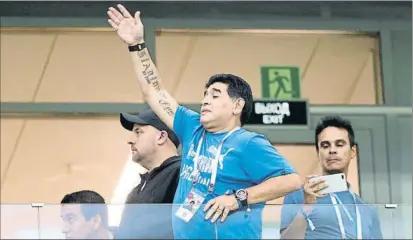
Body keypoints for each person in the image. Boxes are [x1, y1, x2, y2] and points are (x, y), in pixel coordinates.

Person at [106, 4, 301, 239]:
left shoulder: (249, 143)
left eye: (215, 95)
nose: (205, 101)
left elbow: (291, 180)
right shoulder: (192, 127)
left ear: (237, 106)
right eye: (205, 95)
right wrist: (136, 45)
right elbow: (154, 92)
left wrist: (238, 198)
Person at [280, 116, 383, 239]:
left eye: (339, 144)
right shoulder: (297, 196)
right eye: (325, 145)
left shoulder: (367, 210)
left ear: (353, 151)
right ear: (318, 153)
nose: (332, 150)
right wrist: (306, 207)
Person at [115, 108, 181, 239]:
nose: (130, 140)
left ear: (161, 137)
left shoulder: (182, 174)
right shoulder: (136, 191)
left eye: (138, 132)